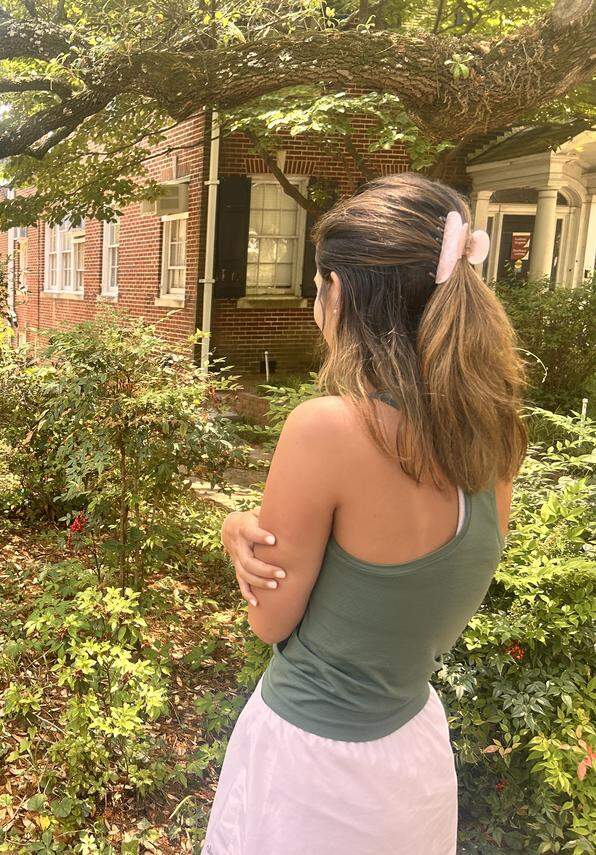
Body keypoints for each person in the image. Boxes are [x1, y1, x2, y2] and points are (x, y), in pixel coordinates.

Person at [202, 173, 527, 855]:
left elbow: (270, 618)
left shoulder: (328, 430)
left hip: (310, 775)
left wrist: (238, 533)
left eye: (317, 285)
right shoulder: (497, 439)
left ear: (341, 292)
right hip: (410, 767)